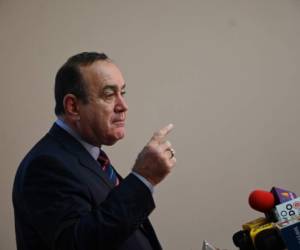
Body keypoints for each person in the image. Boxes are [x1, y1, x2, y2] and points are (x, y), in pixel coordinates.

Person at [12, 52, 176, 250]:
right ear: (73, 106)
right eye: (109, 95)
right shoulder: (46, 165)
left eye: (122, 93)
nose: (123, 106)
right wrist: (142, 179)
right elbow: (78, 245)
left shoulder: (91, 157)